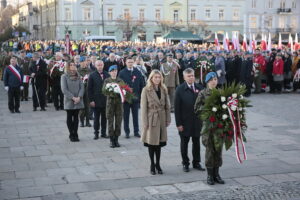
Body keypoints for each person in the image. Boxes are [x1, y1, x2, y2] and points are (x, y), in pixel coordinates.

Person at [194, 72, 225, 185]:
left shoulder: (221, 92)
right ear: (207, 82)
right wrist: (209, 109)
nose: (214, 81)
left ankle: (217, 174)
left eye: (215, 79)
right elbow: (196, 109)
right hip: (208, 127)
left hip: (219, 127)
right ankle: (209, 175)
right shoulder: (202, 93)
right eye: (211, 79)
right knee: (209, 151)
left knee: (218, 150)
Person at [174, 68, 205, 173]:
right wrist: (179, 124)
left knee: (196, 142)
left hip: (197, 121)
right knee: (184, 143)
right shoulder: (179, 89)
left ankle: (196, 162)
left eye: (192, 75)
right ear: (184, 77)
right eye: (189, 76)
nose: (191, 78)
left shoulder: (200, 87)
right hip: (185, 122)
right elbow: (177, 109)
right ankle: (185, 163)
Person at [141, 69, 171, 175]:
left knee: (159, 144)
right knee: (151, 143)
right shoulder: (146, 89)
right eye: (155, 77)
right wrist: (145, 122)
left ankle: (158, 164)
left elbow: (168, 106)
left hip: (161, 118)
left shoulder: (163, 89)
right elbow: (143, 107)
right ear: (151, 78)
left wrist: (168, 119)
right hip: (151, 118)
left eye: (159, 77)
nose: (157, 79)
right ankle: (152, 164)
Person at [119, 57, 145, 138]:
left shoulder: (137, 72)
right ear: (126, 63)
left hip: (135, 98)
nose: (130, 63)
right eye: (128, 62)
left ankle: (136, 131)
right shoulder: (122, 72)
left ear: (133, 62)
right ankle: (127, 132)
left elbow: (142, 84)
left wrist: (141, 96)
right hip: (126, 98)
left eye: (131, 62)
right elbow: (119, 85)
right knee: (126, 116)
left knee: (135, 116)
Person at [61, 62, 84, 142]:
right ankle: (71, 134)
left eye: (74, 65)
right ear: (68, 67)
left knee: (76, 117)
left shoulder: (78, 76)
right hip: (69, 100)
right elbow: (64, 89)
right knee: (70, 116)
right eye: (71, 65)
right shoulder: (64, 76)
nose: (73, 66)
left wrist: (79, 97)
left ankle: (76, 133)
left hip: (78, 99)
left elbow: (82, 88)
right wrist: (73, 98)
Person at [103, 65, 125, 148]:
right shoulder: (107, 80)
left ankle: (116, 139)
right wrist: (112, 91)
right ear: (109, 72)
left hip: (119, 104)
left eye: (115, 71)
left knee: (118, 121)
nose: (114, 72)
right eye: (112, 71)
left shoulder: (120, 80)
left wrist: (123, 92)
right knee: (110, 121)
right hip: (110, 103)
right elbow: (104, 91)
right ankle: (111, 140)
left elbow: (124, 90)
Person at [88, 60, 110, 140]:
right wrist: (91, 100)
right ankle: (96, 133)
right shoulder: (92, 75)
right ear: (95, 66)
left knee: (104, 118)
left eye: (101, 65)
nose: (100, 66)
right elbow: (89, 89)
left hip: (105, 100)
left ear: (103, 65)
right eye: (98, 65)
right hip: (96, 101)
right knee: (96, 118)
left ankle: (103, 133)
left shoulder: (107, 74)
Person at [78, 58, 92, 127]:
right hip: (80, 91)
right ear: (80, 63)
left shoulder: (89, 70)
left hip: (88, 90)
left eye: (84, 61)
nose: (83, 63)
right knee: (81, 107)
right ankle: (81, 121)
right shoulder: (77, 71)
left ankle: (87, 121)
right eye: (81, 62)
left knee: (87, 106)